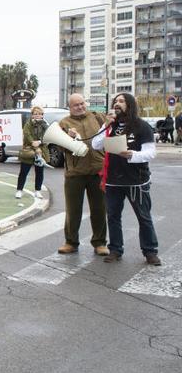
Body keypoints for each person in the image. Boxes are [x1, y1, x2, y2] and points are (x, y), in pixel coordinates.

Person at [92, 93, 159, 265]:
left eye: (121, 101)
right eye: (115, 101)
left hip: (136, 180)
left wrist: (132, 155)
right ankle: (115, 249)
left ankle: (150, 251)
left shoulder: (142, 126)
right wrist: (105, 125)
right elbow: (96, 145)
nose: (117, 104)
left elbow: (150, 152)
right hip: (113, 180)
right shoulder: (110, 126)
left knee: (143, 217)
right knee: (113, 216)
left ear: (130, 105)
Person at [57, 94, 108, 256]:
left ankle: (100, 243)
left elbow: (109, 135)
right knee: (73, 210)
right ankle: (71, 242)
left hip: (97, 171)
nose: (80, 107)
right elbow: (60, 149)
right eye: (76, 105)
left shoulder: (98, 117)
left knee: (99, 209)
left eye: (82, 103)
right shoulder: (64, 123)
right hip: (75, 173)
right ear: (70, 107)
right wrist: (68, 138)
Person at [16, 106, 48, 200]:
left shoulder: (45, 124)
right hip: (29, 150)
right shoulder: (28, 124)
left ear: (42, 115)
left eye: (39, 114)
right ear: (32, 115)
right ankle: (19, 190)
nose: (37, 115)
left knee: (39, 172)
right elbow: (27, 135)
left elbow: (47, 136)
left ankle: (38, 191)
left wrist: (40, 142)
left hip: (41, 151)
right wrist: (33, 143)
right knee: (24, 171)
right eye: (35, 113)